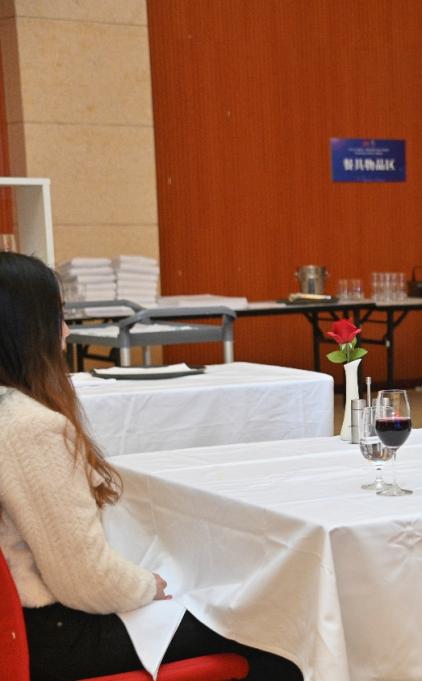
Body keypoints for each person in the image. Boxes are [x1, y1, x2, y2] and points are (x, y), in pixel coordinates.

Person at [0, 252, 302, 681]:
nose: (66, 332)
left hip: (30, 626)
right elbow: (85, 583)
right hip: (56, 635)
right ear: (24, 328)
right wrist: (148, 586)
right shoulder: (30, 427)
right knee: (276, 631)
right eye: (58, 317)